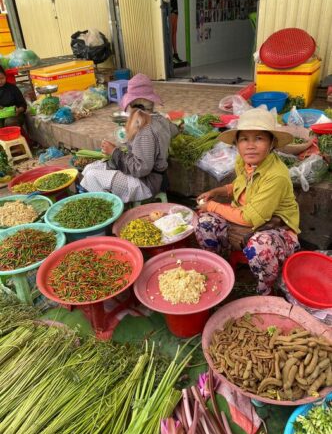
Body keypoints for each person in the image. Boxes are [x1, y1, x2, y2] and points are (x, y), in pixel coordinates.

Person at [195, 108, 300, 295]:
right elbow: (239, 185)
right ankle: (221, 268)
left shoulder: (276, 175)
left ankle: (265, 291)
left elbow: (250, 219)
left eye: (259, 138)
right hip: (245, 214)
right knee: (204, 223)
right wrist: (216, 191)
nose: (250, 145)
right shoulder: (244, 161)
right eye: (244, 139)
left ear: (271, 143)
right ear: (237, 143)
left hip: (276, 226)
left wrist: (211, 205)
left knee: (260, 245)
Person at [80, 73, 179, 203]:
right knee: (89, 168)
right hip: (148, 176)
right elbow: (175, 130)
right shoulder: (160, 119)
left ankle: (110, 211)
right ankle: (108, 201)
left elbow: (141, 169)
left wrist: (114, 152)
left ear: (133, 106)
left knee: (92, 176)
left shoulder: (145, 131)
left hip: (146, 183)